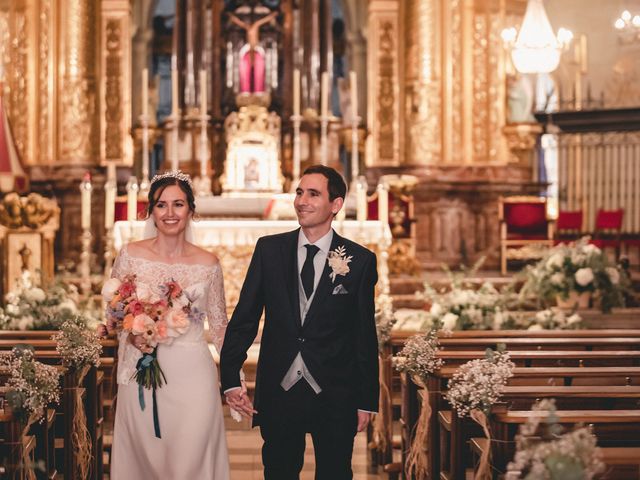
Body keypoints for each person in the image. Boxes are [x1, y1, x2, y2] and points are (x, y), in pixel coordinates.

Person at [220, 165, 380, 479]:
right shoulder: (269, 250)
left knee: (335, 473)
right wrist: (230, 378)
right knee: (278, 472)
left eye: (313, 193)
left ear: (336, 205)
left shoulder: (359, 261)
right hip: (280, 391)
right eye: (299, 192)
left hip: (336, 393)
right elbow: (245, 318)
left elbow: (364, 335)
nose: (301, 201)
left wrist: (366, 400)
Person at [109, 171, 230, 479]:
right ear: (151, 210)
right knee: (148, 461)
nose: (170, 213)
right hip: (142, 371)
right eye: (161, 205)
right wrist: (132, 330)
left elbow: (219, 326)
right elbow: (113, 313)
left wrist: (234, 380)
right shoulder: (131, 256)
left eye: (178, 204)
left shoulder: (208, 263)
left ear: (191, 209)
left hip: (193, 374)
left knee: (188, 461)